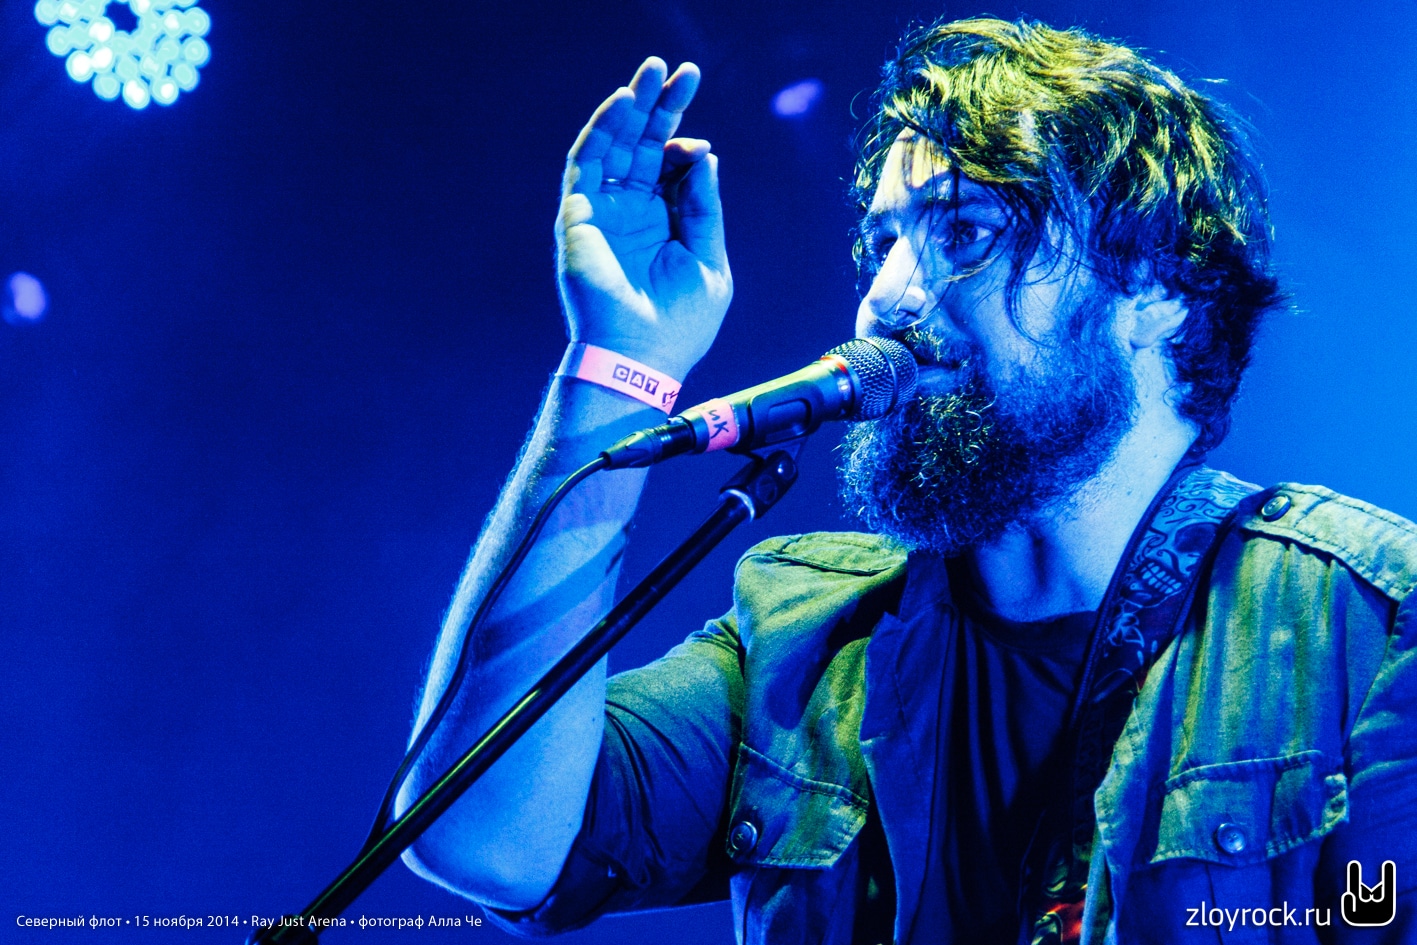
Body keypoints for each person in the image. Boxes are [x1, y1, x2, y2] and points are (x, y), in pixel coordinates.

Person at [397, 17, 1417, 944]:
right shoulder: (799, 636)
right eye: (883, 242)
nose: (885, 298)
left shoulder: (1370, 628)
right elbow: (482, 838)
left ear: (1154, 288)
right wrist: (620, 364)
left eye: (961, 231)